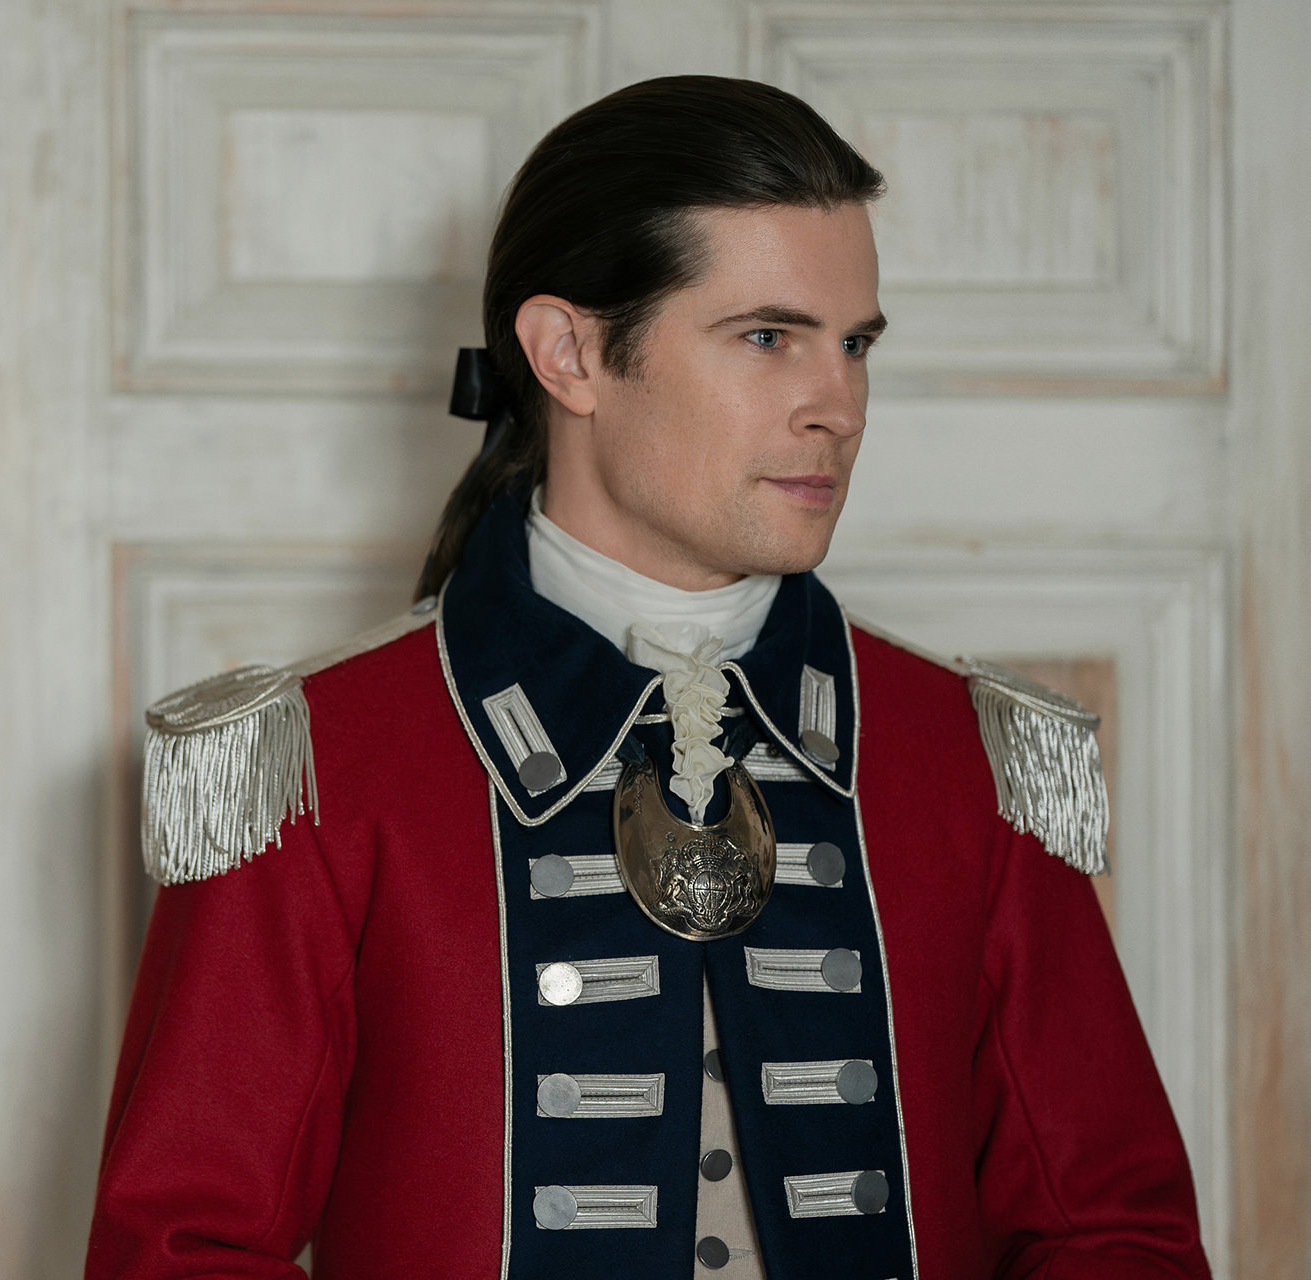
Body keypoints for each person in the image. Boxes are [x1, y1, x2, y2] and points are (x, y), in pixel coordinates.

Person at [86, 76, 1210, 1280]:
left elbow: (1115, 1235)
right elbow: (184, 1250)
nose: (839, 405)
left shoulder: (971, 760)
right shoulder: (315, 768)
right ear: (569, 352)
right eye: (768, 337)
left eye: (855, 343)